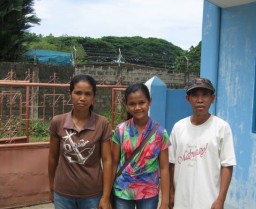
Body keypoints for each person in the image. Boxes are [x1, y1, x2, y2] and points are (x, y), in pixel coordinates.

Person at [169, 77, 236, 209]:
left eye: (205, 95)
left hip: (209, 201)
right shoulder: (178, 127)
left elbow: (227, 165)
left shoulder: (222, 128)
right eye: (195, 95)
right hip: (181, 200)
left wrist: (221, 199)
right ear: (188, 99)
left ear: (213, 98)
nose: (200, 100)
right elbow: (171, 163)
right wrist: (171, 193)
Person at [48, 74, 113, 209]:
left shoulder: (102, 123)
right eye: (78, 93)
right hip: (63, 195)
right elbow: (53, 157)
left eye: (87, 94)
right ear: (70, 94)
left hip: (92, 195)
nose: (82, 98)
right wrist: (51, 186)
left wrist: (105, 196)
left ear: (93, 97)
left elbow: (107, 161)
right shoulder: (58, 122)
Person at [111, 83, 170, 209]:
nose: (137, 107)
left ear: (150, 102)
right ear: (126, 105)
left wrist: (165, 200)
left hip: (149, 193)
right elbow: (113, 163)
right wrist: (106, 195)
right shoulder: (120, 130)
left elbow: (164, 168)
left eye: (142, 102)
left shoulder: (161, 133)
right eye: (132, 104)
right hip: (123, 191)